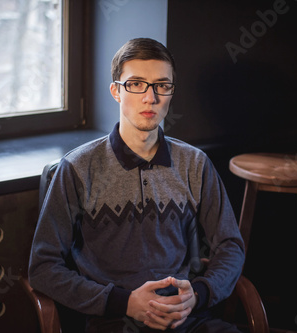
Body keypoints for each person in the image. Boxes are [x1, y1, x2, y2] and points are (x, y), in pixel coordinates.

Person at [29, 37, 245, 333]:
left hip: (185, 319)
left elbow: (231, 246)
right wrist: (125, 302)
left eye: (162, 85)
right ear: (116, 91)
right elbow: (43, 268)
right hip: (111, 320)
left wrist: (198, 294)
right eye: (136, 84)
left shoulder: (194, 164)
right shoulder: (78, 169)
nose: (150, 97)